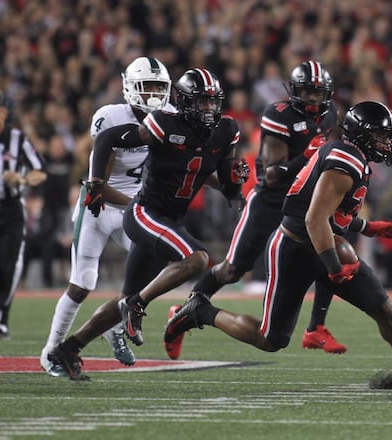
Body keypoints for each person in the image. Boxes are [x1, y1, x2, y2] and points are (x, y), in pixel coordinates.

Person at [164, 101, 392, 392]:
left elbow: (329, 212)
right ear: (362, 134)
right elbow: (314, 218)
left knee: (383, 309)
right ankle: (201, 312)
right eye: (381, 135)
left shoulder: (348, 154)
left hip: (322, 241)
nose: (387, 143)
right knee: (271, 338)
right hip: (295, 249)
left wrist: (366, 226)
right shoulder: (345, 164)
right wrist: (334, 268)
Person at [46, 67, 247, 380]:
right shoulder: (164, 123)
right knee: (197, 258)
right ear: (185, 101)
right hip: (145, 212)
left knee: (125, 297)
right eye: (202, 101)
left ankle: (68, 349)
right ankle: (137, 306)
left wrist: (236, 182)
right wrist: (96, 182)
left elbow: (225, 182)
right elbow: (108, 138)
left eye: (213, 101)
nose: (209, 108)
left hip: (169, 218)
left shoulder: (226, 130)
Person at [167, 60, 347, 360]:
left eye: (319, 93)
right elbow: (273, 175)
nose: (314, 99)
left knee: (329, 253)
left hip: (301, 201)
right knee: (232, 269)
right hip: (271, 200)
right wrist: (305, 156)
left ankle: (317, 326)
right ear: (294, 91)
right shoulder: (279, 114)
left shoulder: (330, 113)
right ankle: (186, 311)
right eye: (308, 92)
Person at [39, 56, 173, 376]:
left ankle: (115, 323)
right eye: (147, 87)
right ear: (131, 88)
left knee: (152, 271)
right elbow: (100, 182)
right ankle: (50, 353)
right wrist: (141, 203)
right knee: (82, 283)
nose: (154, 95)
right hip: (99, 205)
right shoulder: (110, 116)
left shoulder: (169, 116)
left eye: (159, 88)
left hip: (133, 206)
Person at [0, 90, 47, 339]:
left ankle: (1, 318)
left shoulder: (17, 139)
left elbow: (40, 171)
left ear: (3, 113)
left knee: (8, 264)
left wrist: (21, 179)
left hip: (10, 209)